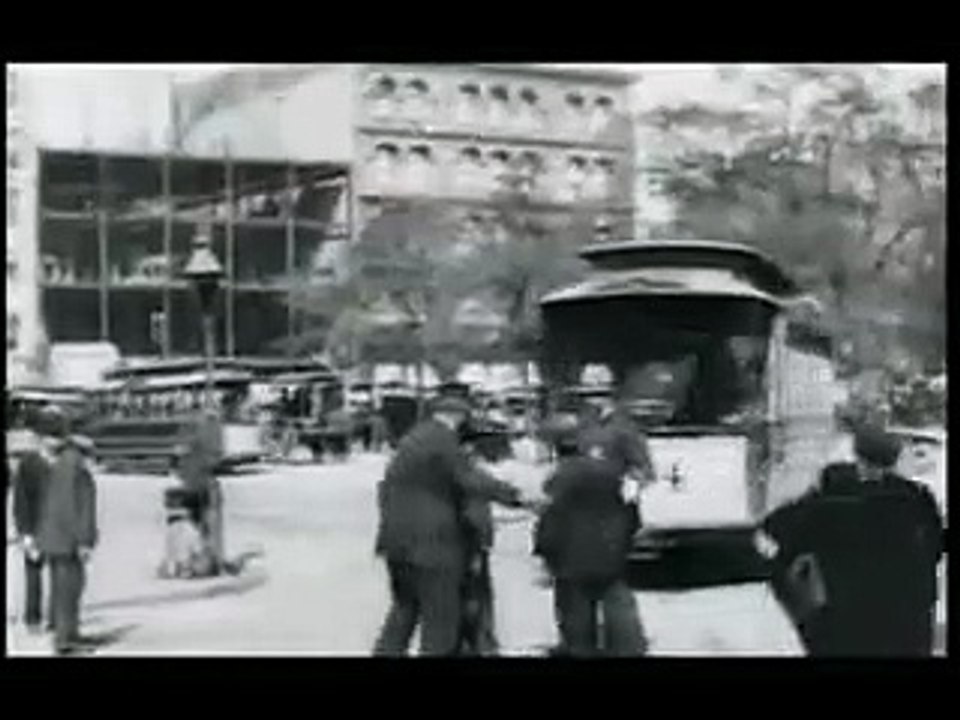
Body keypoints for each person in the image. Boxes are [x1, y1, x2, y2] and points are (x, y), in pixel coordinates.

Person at [759, 425, 944, 657]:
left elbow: (773, 533)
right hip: (908, 627)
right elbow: (935, 549)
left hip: (844, 624)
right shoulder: (918, 501)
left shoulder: (827, 503)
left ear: (857, 455)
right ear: (895, 458)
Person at [373, 396, 528, 656]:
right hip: (433, 545)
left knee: (404, 610)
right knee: (441, 616)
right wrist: (517, 496)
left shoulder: (413, 440)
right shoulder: (442, 441)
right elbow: (469, 479)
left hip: (397, 542)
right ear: (457, 416)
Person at [534, 421, 646, 656]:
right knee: (615, 599)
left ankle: (581, 649)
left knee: (575, 610)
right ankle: (625, 647)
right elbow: (631, 511)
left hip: (571, 557)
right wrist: (626, 540)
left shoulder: (560, 478)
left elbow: (552, 518)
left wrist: (544, 550)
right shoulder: (611, 473)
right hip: (610, 552)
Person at [34, 410, 99, 656]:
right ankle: (66, 639)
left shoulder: (61, 462)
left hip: (54, 537)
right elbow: (78, 506)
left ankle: (66, 633)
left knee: (62, 588)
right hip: (67, 539)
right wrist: (84, 540)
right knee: (70, 589)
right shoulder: (75, 465)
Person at [12, 409, 55, 634]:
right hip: (35, 526)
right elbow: (21, 500)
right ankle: (33, 617)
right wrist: (25, 532)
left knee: (59, 574)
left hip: (58, 526)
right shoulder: (28, 464)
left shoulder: (61, 462)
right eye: (47, 438)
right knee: (33, 574)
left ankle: (57, 617)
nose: (51, 442)